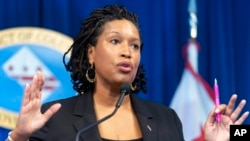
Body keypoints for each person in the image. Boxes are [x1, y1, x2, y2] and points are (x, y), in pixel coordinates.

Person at [6, 5, 249, 141]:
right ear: (91, 53)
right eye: (115, 41)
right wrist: (18, 137)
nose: (127, 52)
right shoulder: (53, 118)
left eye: (135, 45)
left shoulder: (166, 120)